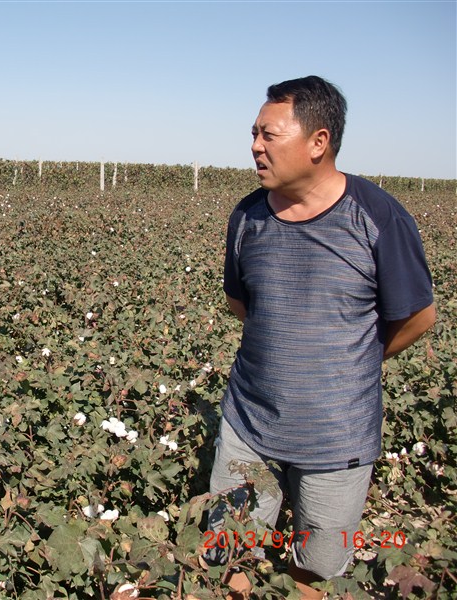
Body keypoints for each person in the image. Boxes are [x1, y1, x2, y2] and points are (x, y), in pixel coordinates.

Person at [205, 76, 436, 599]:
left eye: (270, 135)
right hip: (250, 424)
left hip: (338, 438)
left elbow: (418, 316)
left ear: (318, 141)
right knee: (231, 553)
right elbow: (241, 305)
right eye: (253, 133)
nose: (255, 146)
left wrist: (349, 363)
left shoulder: (377, 216)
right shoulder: (248, 216)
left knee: (319, 564)